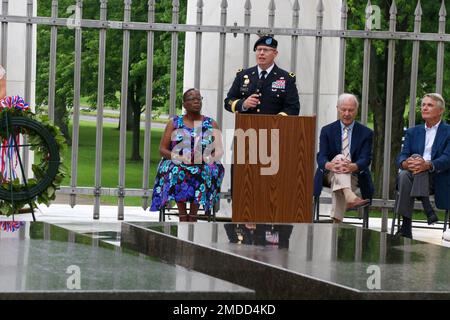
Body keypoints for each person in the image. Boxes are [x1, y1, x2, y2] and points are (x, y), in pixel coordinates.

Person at [150, 88, 225, 222]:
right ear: (184, 104)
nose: (196, 101)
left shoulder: (211, 123)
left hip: (203, 162)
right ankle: (183, 213)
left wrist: (206, 158)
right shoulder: (174, 123)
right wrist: (180, 158)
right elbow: (162, 149)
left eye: (198, 98)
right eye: (192, 99)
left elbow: (219, 151)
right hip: (177, 161)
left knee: (203, 170)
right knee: (177, 170)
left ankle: (193, 214)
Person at [395, 93, 450, 239]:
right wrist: (405, 163)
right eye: (423, 105)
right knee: (405, 172)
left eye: (429, 105)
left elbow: (447, 158)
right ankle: (427, 209)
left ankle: (405, 226)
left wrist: (428, 164)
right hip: (413, 174)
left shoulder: (448, 132)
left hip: (436, 177)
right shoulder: (413, 132)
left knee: (411, 169)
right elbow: (402, 155)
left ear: (440, 110)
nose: (424, 108)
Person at [314, 93, 374, 223]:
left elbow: (366, 158)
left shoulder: (366, 133)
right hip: (329, 174)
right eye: (344, 109)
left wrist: (352, 166)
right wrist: (331, 165)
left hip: (354, 175)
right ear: (338, 109)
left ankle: (336, 223)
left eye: (351, 110)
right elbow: (321, 156)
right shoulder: (327, 130)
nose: (347, 113)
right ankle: (350, 197)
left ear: (356, 111)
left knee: (339, 179)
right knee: (340, 159)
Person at [224, 35, 300, 116]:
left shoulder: (286, 78)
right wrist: (243, 104)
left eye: (266, 50)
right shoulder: (243, 75)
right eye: (259, 49)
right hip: (247, 127)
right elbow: (228, 101)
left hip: (274, 127)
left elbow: (293, 107)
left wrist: (278, 120)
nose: (261, 53)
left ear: (275, 54)